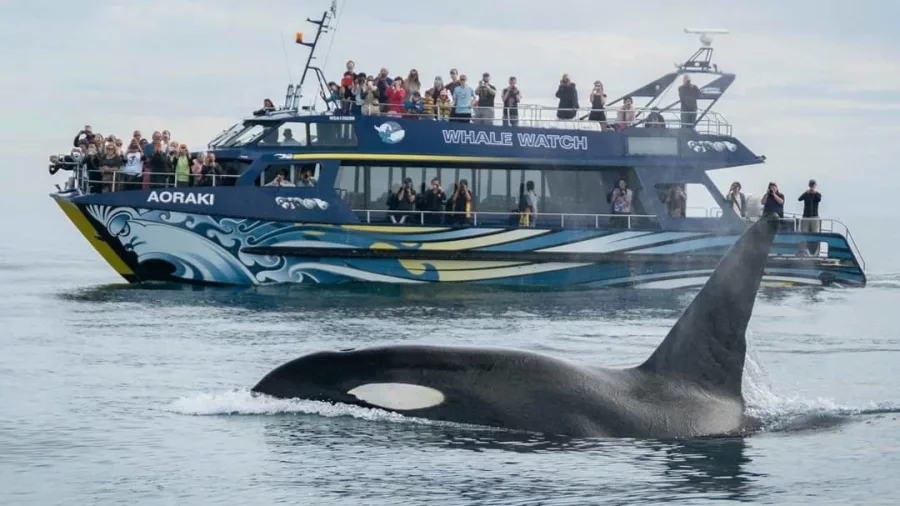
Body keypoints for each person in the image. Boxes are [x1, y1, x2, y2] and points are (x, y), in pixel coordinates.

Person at [798, 179, 822, 255]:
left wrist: (813, 192)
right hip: (806, 217)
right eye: (810, 185)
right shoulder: (806, 194)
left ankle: (815, 252)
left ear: (815, 186)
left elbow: (819, 199)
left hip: (814, 217)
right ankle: (803, 251)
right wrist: (806, 192)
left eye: (813, 185)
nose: (812, 187)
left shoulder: (818, 194)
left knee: (815, 234)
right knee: (804, 234)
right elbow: (799, 199)